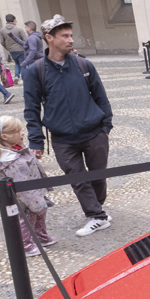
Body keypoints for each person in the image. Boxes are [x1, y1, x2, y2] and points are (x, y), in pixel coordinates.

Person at [23, 14, 113, 236]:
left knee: (98, 176)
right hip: (63, 138)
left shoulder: (84, 65)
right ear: (49, 38)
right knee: (77, 179)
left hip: (94, 133)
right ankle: (97, 216)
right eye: (64, 36)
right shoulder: (36, 71)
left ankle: (97, 210)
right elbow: (32, 109)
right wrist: (36, 141)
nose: (71, 40)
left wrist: (106, 127)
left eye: (71, 35)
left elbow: (101, 97)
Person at [0, 114, 54, 257]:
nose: (23, 133)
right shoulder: (11, 160)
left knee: (40, 213)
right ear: (4, 137)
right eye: (18, 131)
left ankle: (40, 236)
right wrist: (33, 200)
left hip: (36, 190)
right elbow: (21, 183)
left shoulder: (18, 149)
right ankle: (26, 245)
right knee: (27, 218)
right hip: (27, 196)